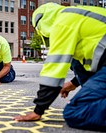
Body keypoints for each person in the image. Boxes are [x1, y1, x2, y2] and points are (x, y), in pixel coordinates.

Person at [13, 3, 106, 131]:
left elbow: (53, 70)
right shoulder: (75, 15)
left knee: (74, 112)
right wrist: (73, 83)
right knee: (76, 61)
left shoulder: (62, 23)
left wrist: (38, 110)